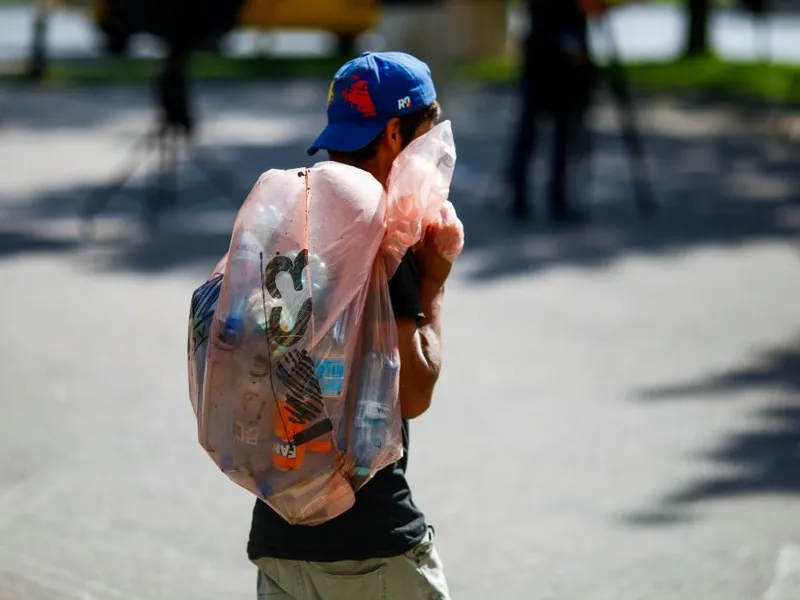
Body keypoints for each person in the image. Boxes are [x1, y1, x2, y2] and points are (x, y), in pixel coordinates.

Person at [247, 51, 453, 600]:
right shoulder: (385, 231)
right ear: (394, 132)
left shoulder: (292, 223)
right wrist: (432, 280)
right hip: (370, 551)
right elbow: (413, 392)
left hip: (279, 534)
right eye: (428, 134)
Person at [506, 0, 598, 223]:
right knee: (551, 133)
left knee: (539, 132)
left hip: (542, 56)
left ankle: (531, 195)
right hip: (556, 60)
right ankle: (540, 196)